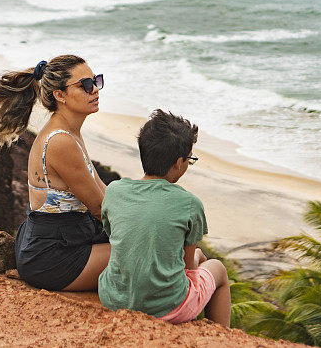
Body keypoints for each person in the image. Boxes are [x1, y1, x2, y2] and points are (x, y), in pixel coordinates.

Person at [0, 54, 110, 291]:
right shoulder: (60, 141)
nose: (94, 89)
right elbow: (98, 208)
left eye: (96, 80)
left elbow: (101, 190)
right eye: (85, 85)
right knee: (146, 254)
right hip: (53, 257)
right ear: (59, 95)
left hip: (65, 240)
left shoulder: (70, 132)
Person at [98, 110, 230, 326]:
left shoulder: (114, 191)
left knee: (198, 257)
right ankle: (222, 337)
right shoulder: (190, 204)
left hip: (114, 298)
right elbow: (187, 268)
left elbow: (116, 238)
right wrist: (196, 257)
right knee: (218, 269)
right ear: (179, 162)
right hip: (168, 307)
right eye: (190, 159)